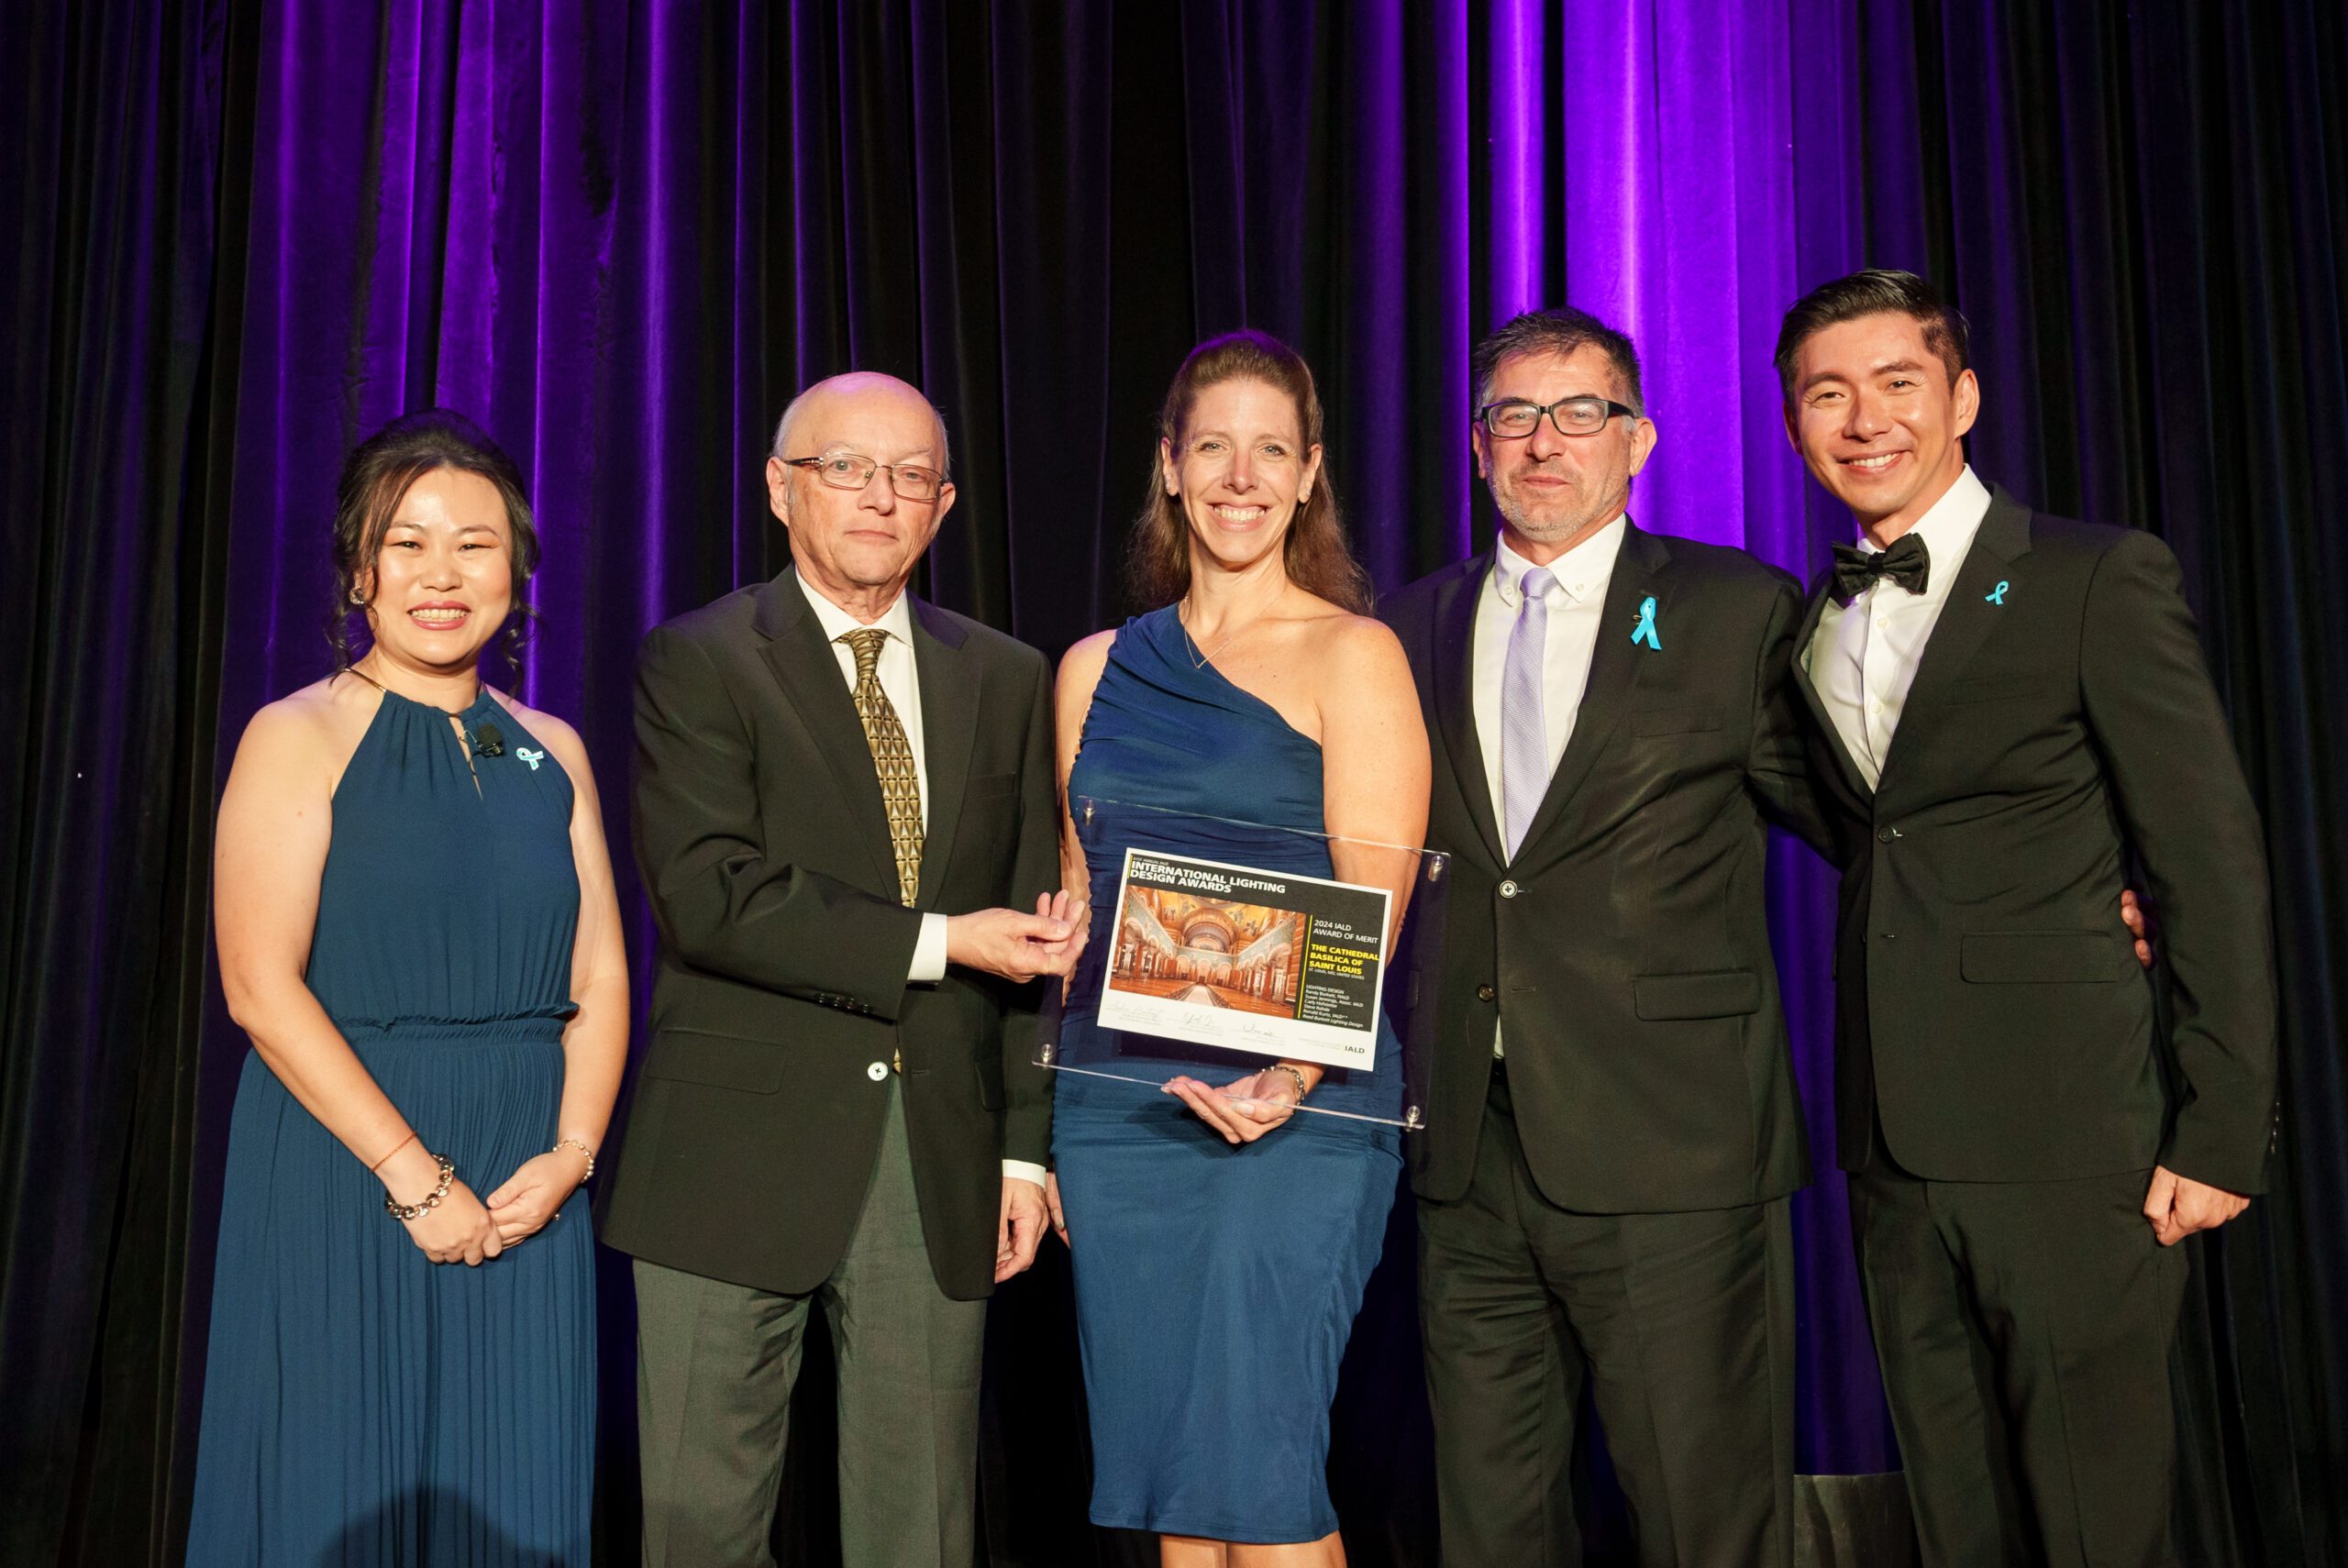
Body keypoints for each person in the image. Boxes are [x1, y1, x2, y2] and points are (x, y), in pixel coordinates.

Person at [1776, 269, 2278, 1567]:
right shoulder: (1811, 622)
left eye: (1897, 382)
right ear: (1793, 422)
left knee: (2095, 1520)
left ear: (1964, 397)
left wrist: (2222, 1125)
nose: (1864, 417)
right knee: (1958, 1520)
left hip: (2071, 1131)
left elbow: (2206, 858)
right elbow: (1876, 839)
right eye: (1827, 392)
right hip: (1893, 1142)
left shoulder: (2095, 575)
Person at [595, 371, 1079, 1568]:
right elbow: (713, 896)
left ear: (947, 503)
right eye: (847, 467)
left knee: (920, 1530)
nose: (880, 495)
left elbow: (1036, 924)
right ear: (781, 486)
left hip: (940, 1151)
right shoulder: (700, 657)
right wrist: (938, 940)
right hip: (730, 1149)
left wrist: (1025, 1145)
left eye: (912, 474)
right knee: (701, 1527)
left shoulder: (1009, 676)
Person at [1380, 306, 1827, 1566]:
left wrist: (2075, 886)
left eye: (1579, 413)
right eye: (1515, 416)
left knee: (1703, 1517)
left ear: (1636, 439)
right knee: (1491, 1521)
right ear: (1477, 446)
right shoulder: (1408, 627)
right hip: (1468, 1150)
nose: (1544, 443)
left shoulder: (1737, 608)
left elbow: (1865, 816)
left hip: (1672, 1145)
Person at [186, 410, 627, 1564]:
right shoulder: (298, 735)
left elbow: (600, 971)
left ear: (517, 568)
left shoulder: (555, 747)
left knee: (515, 1499)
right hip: (351, 1161)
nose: (442, 574)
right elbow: (257, 986)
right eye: (408, 543)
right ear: (359, 568)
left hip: (530, 1176)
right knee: (342, 1480)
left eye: (474, 544)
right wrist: (416, 1180)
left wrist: (571, 1156)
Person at [1044, 330, 1431, 1567]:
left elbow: (1372, 911)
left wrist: (1293, 1076)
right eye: (1213, 445)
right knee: (1176, 1487)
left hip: (1301, 1114)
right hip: (1126, 1113)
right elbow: (1080, 898)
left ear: (1310, 474)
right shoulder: (1094, 669)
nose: (1240, 474)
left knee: (1260, 1476)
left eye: (1272, 449)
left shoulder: (1354, 653)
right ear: (1169, 466)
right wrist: (1039, 1117)